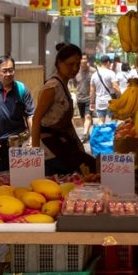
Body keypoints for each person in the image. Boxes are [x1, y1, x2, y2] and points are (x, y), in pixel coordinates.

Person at [31, 43, 96, 177]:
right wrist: (35, 153)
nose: (75, 68)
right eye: (70, 64)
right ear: (59, 63)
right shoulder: (52, 87)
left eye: (77, 64)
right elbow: (36, 118)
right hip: (51, 150)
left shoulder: (63, 84)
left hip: (63, 145)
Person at [0, 56, 36, 188]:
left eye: (11, 70)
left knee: (18, 177)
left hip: (16, 142)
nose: (8, 74)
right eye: (4, 71)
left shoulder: (22, 89)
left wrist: (33, 137)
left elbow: (30, 115)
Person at [69, 53, 95, 142]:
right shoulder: (76, 71)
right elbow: (75, 84)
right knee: (83, 118)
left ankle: (84, 135)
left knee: (88, 117)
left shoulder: (93, 71)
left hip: (89, 98)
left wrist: (93, 99)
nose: (83, 60)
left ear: (87, 60)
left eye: (85, 58)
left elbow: (95, 85)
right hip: (79, 98)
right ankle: (87, 134)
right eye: (82, 59)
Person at [89, 55, 118, 123]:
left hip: (99, 102)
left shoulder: (94, 75)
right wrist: (121, 96)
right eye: (110, 63)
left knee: (101, 120)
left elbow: (92, 90)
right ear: (108, 62)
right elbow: (115, 86)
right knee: (112, 120)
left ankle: (101, 133)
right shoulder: (111, 73)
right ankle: (111, 133)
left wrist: (92, 102)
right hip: (110, 101)